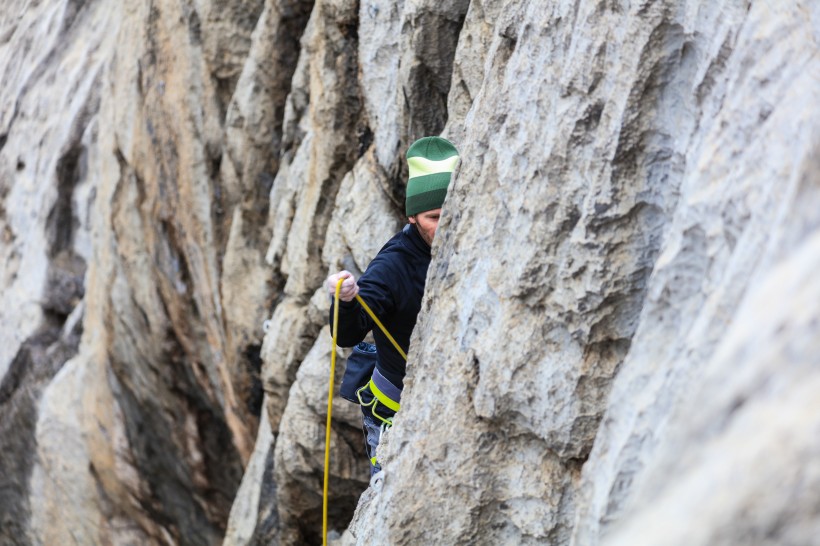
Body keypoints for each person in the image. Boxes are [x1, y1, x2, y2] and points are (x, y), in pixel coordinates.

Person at [326, 136, 459, 477]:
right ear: (412, 215)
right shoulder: (393, 265)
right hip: (396, 407)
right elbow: (349, 333)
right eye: (433, 217)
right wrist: (345, 300)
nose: (445, 226)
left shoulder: (468, 237)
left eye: (452, 214)